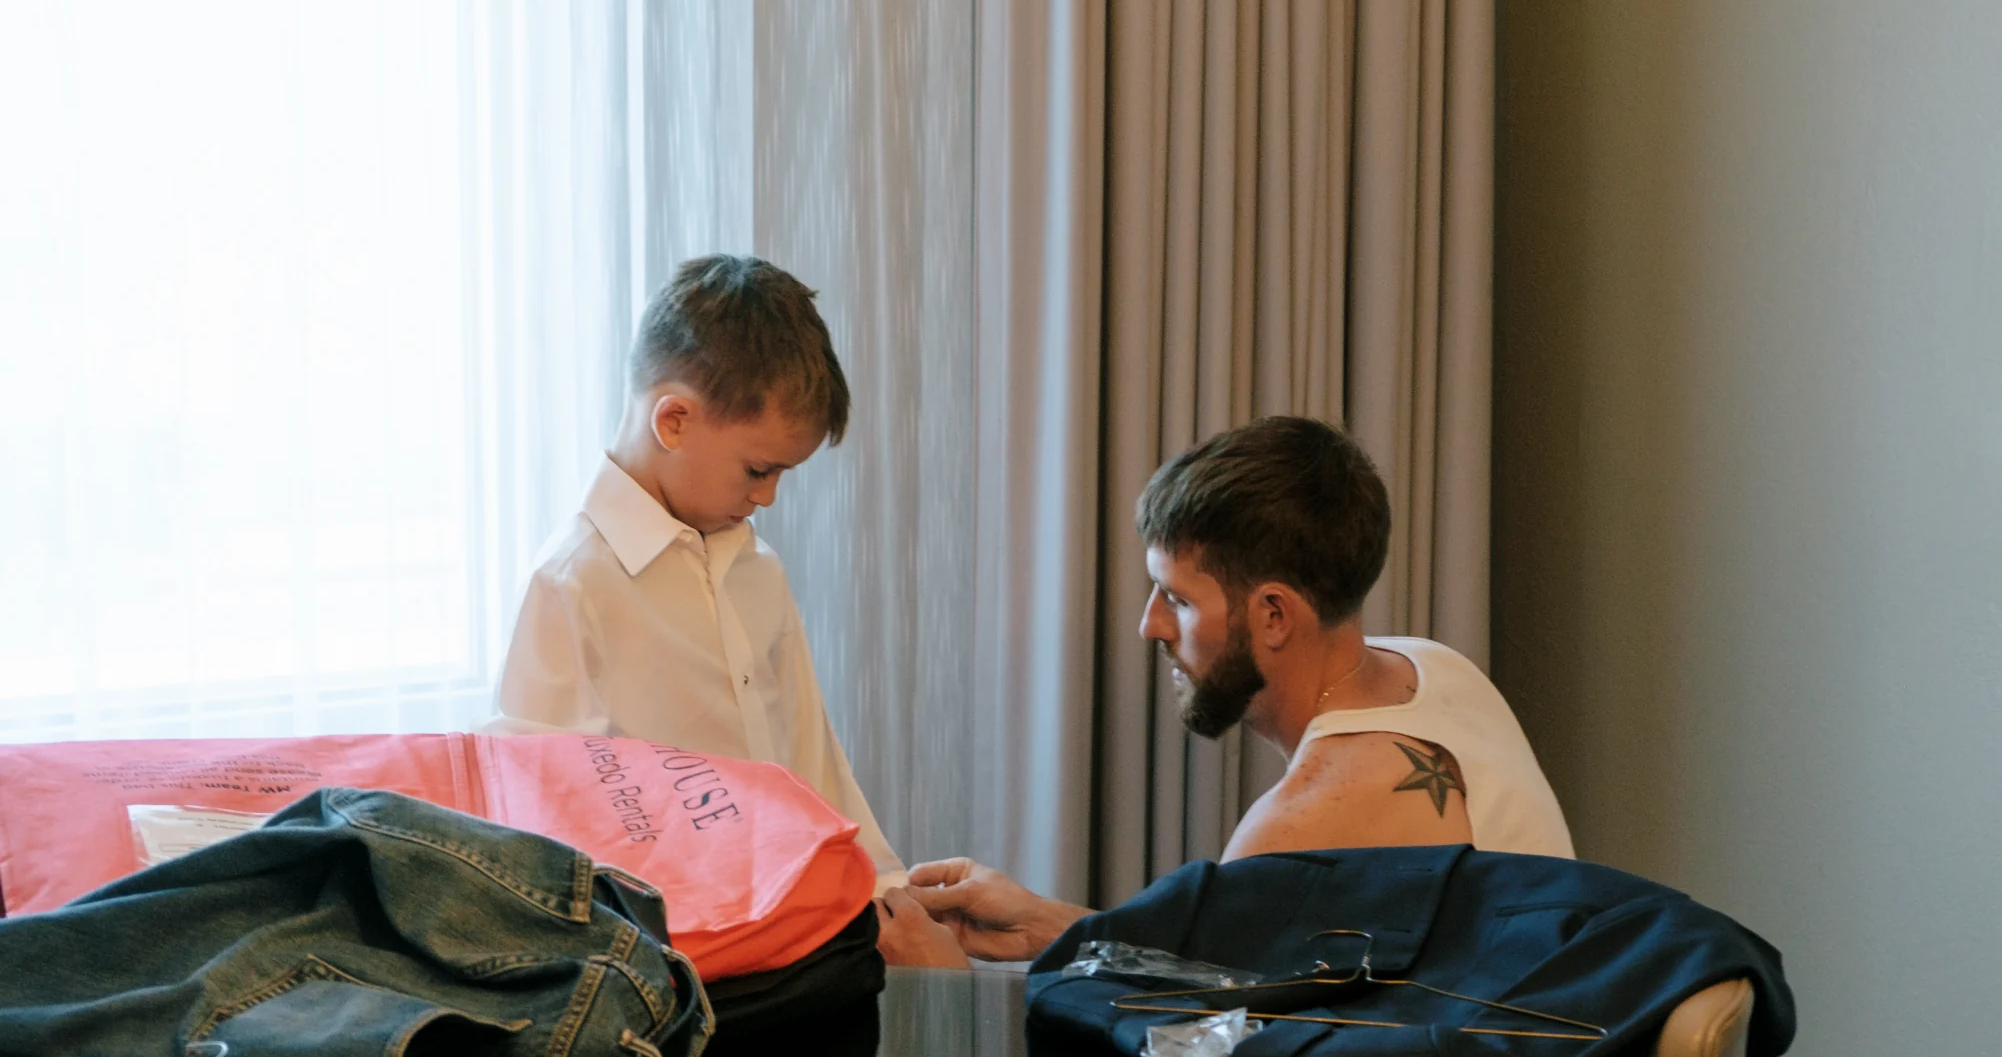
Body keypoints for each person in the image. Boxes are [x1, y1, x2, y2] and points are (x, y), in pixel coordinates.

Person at [889, 414, 1573, 966]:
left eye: (1177, 600)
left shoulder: (1298, 826)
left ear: (1273, 615)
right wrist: (1049, 925)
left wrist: (946, 981)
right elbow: (1236, 961)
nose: (1149, 625)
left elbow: (1182, 1053)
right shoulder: (1436, 668)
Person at [489, 255, 902, 886]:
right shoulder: (570, 585)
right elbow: (543, 821)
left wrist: (884, 890)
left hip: (791, 918)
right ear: (674, 421)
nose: (767, 498)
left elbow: (816, 765)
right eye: (759, 470)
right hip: (669, 947)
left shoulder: (759, 570)